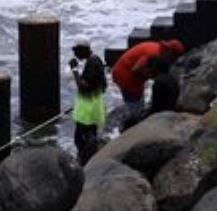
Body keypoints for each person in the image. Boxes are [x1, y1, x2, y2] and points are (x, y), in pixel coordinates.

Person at [110, 39, 185, 122]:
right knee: (134, 106)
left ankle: (137, 117)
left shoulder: (161, 51)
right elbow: (136, 69)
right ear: (170, 52)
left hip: (134, 76)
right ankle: (133, 124)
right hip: (124, 74)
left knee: (140, 103)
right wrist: (152, 76)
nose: (174, 60)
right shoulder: (152, 54)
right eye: (174, 57)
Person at [68, 37, 106, 165]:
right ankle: (90, 158)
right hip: (94, 106)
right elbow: (104, 85)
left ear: (84, 50)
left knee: (80, 138)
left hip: (87, 109)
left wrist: (74, 70)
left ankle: (85, 162)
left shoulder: (92, 63)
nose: (75, 53)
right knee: (90, 134)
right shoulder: (97, 61)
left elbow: (83, 86)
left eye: (76, 50)